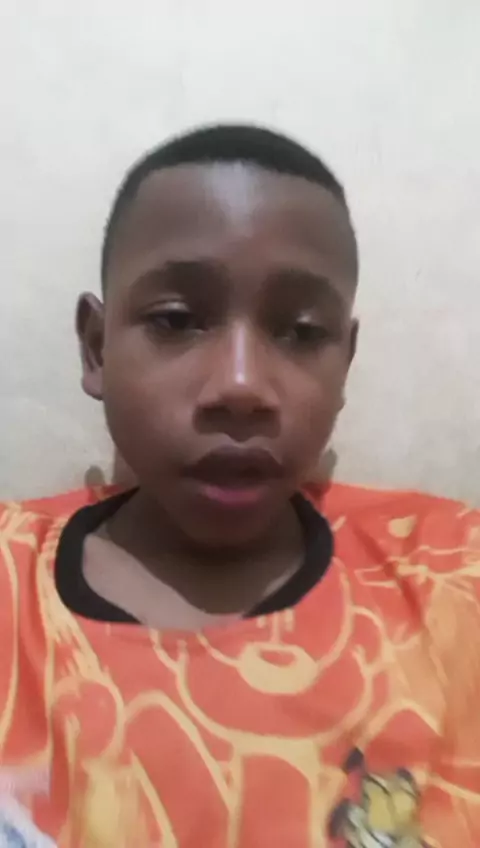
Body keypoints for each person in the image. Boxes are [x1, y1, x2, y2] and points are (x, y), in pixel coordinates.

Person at [0, 124, 478, 848]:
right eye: (176, 321)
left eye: (300, 332)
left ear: (344, 366)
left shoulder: (454, 576)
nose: (241, 386)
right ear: (97, 349)